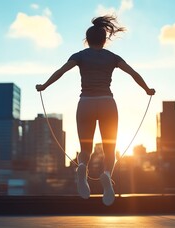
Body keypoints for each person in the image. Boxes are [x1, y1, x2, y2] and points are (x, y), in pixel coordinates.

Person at [36, 15, 155, 206]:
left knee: (86, 148)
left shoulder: (79, 56)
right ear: (104, 39)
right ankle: (107, 174)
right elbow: (133, 73)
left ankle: (82, 167)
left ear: (87, 39)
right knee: (110, 149)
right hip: (107, 103)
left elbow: (61, 71)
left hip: (86, 104)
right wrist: (147, 89)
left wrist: (44, 86)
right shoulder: (112, 57)